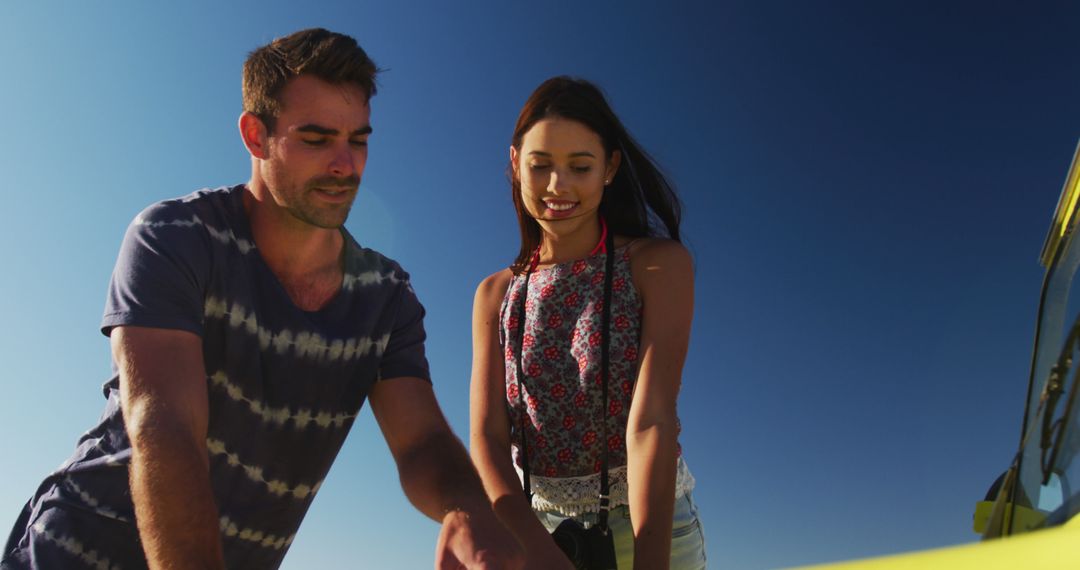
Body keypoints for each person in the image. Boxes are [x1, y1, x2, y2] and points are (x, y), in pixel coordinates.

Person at [2, 28, 522, 570]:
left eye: (359, 139)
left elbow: (421, 444)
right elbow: (167, 425)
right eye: (317, 140)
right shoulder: (175, 236)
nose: (346, 165)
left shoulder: (386, 299)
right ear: (256, 136)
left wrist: (465, 509)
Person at [469, 76, 707, 570]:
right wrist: (534, 548)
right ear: (515, 165)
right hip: (533, 532)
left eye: (580, 166)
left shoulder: (656, 265)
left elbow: (651, 421)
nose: (559, 186)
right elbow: (488, 439)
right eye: (540, 166)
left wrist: (650, 564)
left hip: (650, 529)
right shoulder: (496, 294)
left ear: (610, 168)